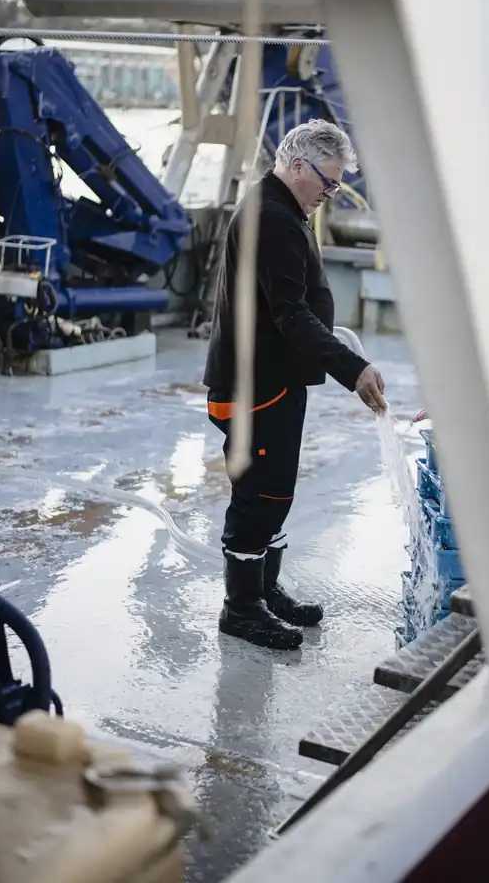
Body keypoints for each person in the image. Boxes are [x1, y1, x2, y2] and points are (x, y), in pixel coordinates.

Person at [204, 119, 386, 650]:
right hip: (256, 386)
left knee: (275, 488)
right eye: (327, 183)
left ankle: (264, 589)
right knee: (260, 494)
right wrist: (352, 368)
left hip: (273, 380)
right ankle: (241, 610)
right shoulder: (275, 218)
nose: (329, 194)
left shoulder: (283, 208)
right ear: (298, 166)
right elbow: (291, 315)